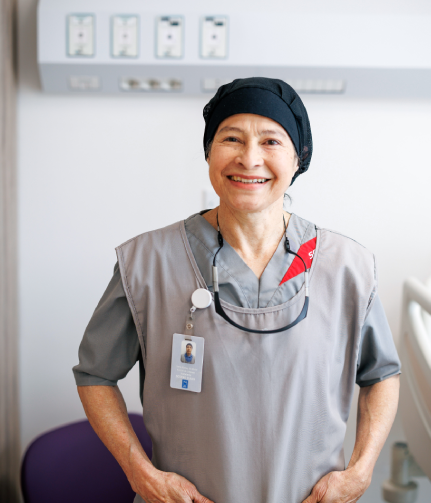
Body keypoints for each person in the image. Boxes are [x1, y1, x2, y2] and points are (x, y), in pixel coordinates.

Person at [73, 77, 400, 503]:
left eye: (270, 141)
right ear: (209, 151)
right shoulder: (147, 262)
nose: (250, 159)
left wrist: (360, 470)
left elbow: (381, 375)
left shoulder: (347, 266)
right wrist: (140, 473)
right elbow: (95, 375)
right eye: (231, 138)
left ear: (298, 158)